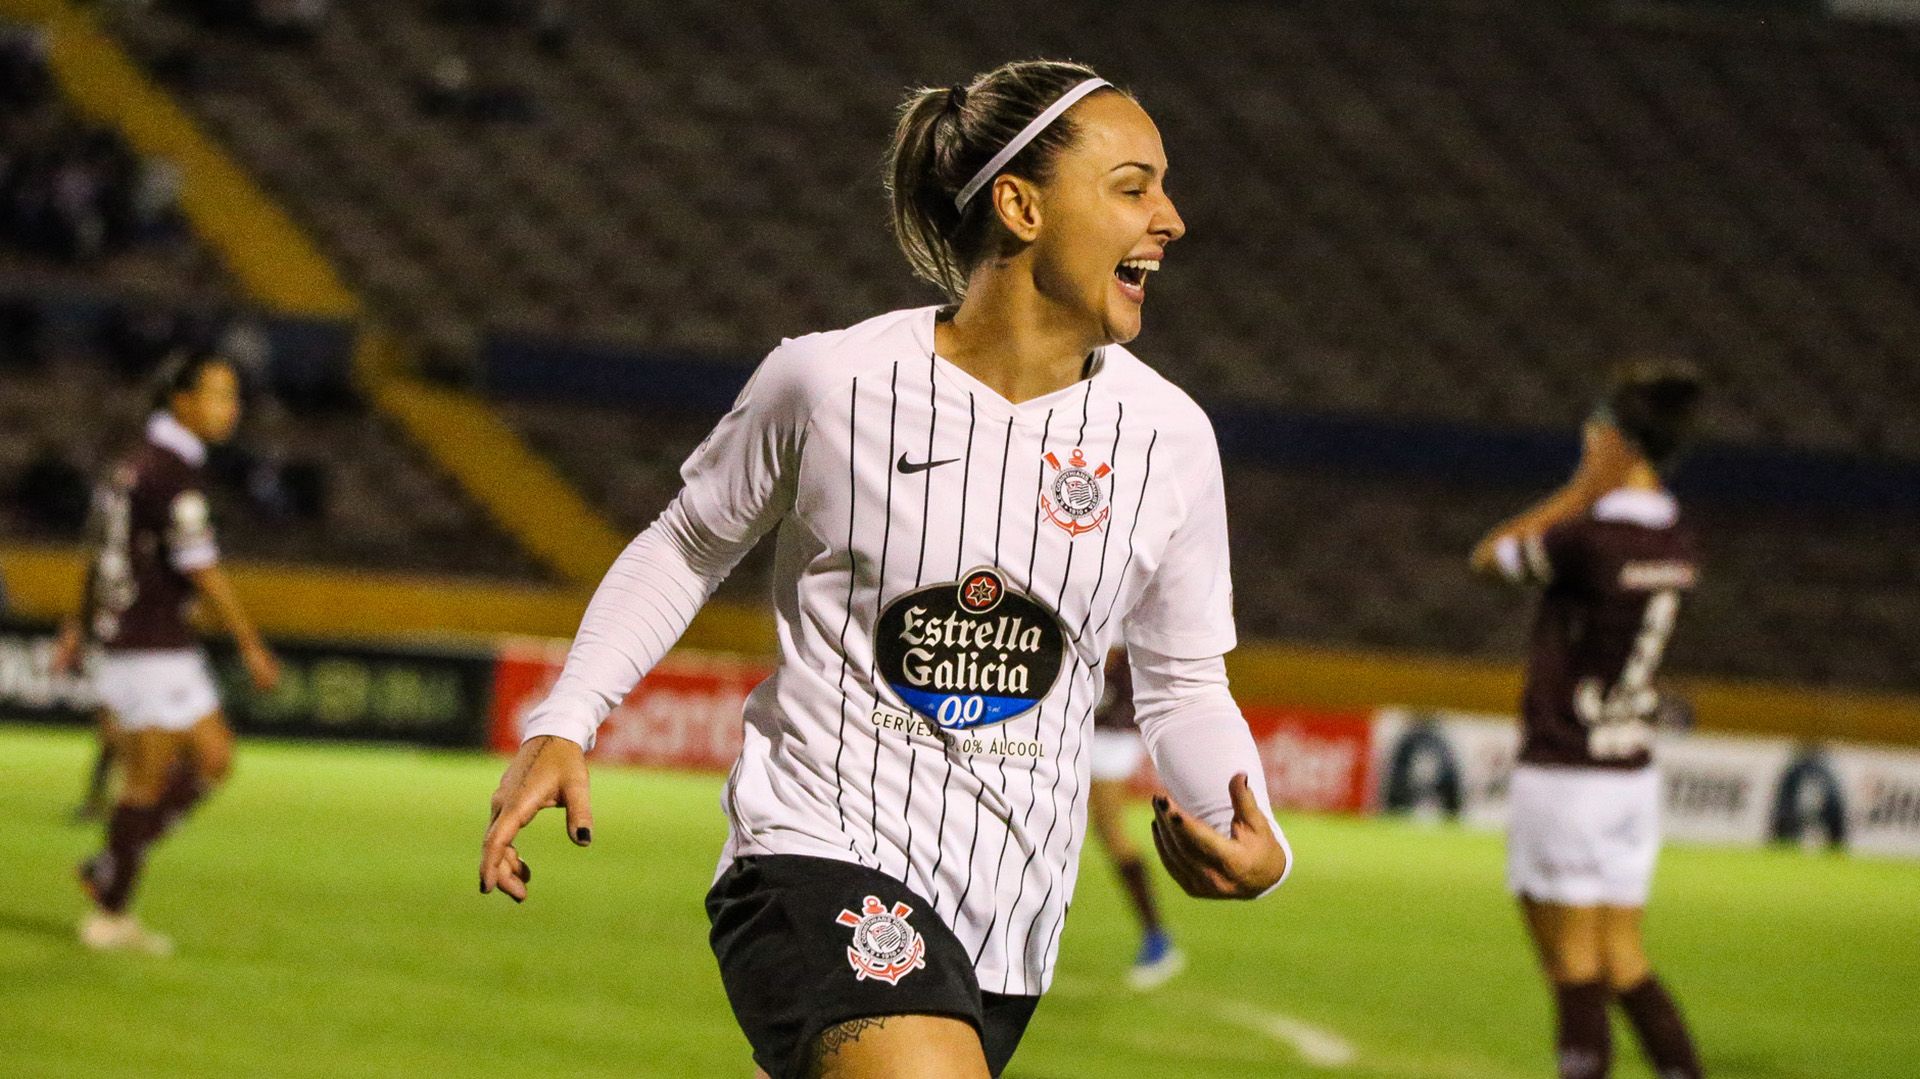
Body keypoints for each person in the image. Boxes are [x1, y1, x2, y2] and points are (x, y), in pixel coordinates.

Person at [480, 60, 1291, 1078]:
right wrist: (567, 715)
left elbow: (1183, 685)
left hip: (1011, 914)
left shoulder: (1169, 435)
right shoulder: (830, 382)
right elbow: (688, 542)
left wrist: (1248, 827)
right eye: (1133, 186)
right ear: (1020, 203)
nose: (1169, 219)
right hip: (814, 853)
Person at [1471, 359, 1707, 1079]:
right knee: (1623, 958)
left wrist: (1577, 492)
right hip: (1631, 773)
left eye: (1594, 434)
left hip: (1568, 770)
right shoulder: (1676, 535)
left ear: (1619, 442)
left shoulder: (1588, 536)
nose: (1587, 443)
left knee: (1573, 965)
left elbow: (1489, 559)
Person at [53, 349, 281, 955]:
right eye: (219, 395)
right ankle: (110, 910)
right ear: (181, 401)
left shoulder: (137, 465)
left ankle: (110, 863)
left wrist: (77, 624)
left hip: (156, 639)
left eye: (233, 396)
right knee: (148, 778)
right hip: (140, 643)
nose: (232, 409)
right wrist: (250, 642)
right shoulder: (167, 472)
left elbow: (105, 549)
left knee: (213, 759)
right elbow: (202, 567)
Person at [1086, 647, 1183, 990]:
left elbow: (1109, 656)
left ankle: (1157, 939)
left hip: (1108, 731)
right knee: (1095, 832)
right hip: (1098, 727)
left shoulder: (1113, 607)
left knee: (1111, 833)